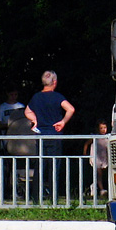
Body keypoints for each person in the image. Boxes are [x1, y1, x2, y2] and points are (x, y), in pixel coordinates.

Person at [25, 70, 75, 200]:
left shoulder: (36, 97)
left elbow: (27, 111)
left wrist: (34, 120)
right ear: (55, 82)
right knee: (54, 167)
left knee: (39, 166)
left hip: (40, 136)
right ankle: (53, 198)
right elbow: (71, 109)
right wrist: (63, 122)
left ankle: (36, 198)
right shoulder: (57, 97)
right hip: (55, 134)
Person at [85, 120, 109, 198]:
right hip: (96, 158)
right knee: (99, 173)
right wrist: (85, 153)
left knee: (103, 173)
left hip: (104, 157)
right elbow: (86, 144)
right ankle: (102, 190)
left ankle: (94, 186)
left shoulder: (107, 137)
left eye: (104, 128)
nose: (103, 130)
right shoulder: (95, 137)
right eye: (101, 128)